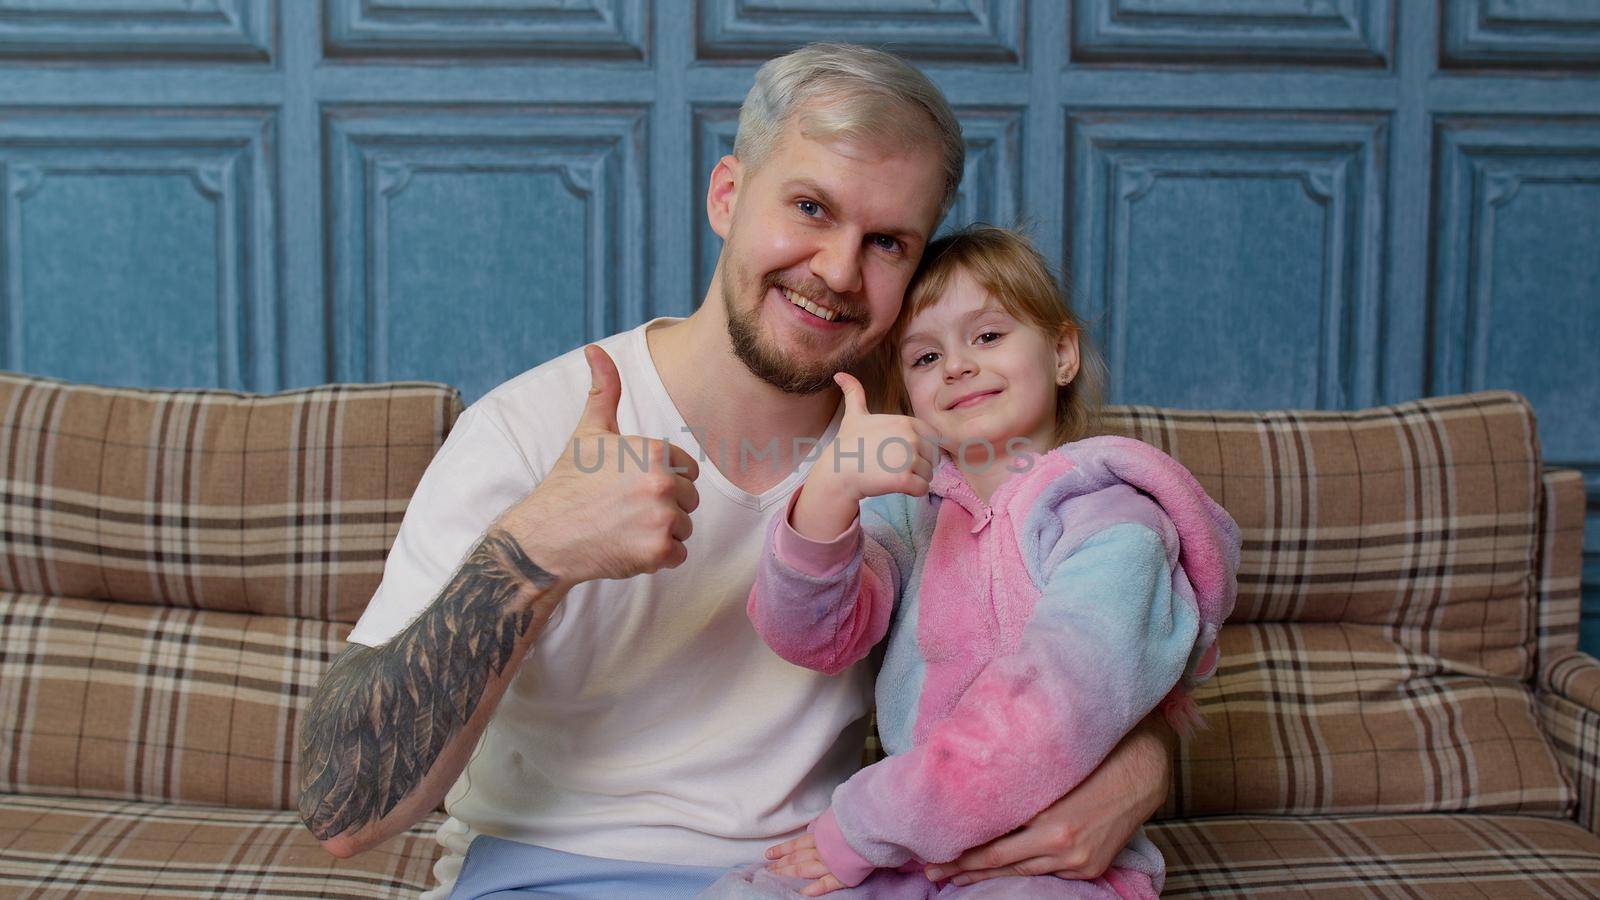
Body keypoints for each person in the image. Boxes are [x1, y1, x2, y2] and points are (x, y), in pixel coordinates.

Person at [295, 44, 1180, 900]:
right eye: (809, 208)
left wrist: (1139, 772)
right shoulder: (531, 430)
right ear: (727, 194)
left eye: (886, 243)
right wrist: (533, 555)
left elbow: (1062, 638)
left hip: (813, 876)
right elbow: (344, 810)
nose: (836, 270)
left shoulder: (924, 446)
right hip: (550, 869)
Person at [698, 226, 1240, 899]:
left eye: (987, 337)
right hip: (907, 856)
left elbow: (1053, 705)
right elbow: (810, 637)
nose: (956, 366)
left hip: (1047, 855)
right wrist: (831, 494)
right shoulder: (907, 516)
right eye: (925, 357)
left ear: (1063, 353)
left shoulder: (1114, 524)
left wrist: (863, 825)